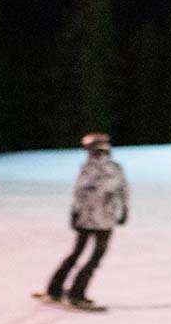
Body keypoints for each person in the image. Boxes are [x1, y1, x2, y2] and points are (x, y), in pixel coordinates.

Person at [43, 132, 129, 309]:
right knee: (95, 256)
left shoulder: (88, 167)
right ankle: (76, 293)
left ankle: (55, 289)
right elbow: (123, 191)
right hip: (105, 219)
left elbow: (79, 193)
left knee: (77, 253)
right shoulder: (114, 167)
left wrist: (75, 213)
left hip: (87, 218)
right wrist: (124, 210)